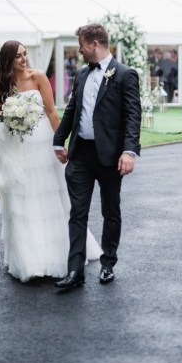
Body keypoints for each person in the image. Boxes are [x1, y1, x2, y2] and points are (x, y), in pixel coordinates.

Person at [0, 40, 102, 283]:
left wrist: (60, 143)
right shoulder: (0, 86)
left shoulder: (38, 77)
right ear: (7, 59)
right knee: (24, 202)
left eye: (25, 54)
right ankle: (30, 259)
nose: (23, 59)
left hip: (43, 147)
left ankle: (61, 255)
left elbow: (51, 112)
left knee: (51, 198)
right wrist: (12, 123)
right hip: (18, 151)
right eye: (18, 56)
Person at [53, 23, 141, 290]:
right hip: (80, 155)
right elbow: (71, 110)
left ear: (94, 44)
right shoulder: (81, 74)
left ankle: (107, 264)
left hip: (110, 156)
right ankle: (75, 271)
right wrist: (58, 142)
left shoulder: (125, 74)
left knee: (110, 211)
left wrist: (129, 151)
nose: (78, 50)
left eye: (81, 44)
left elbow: (133, 116)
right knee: (77, 213)